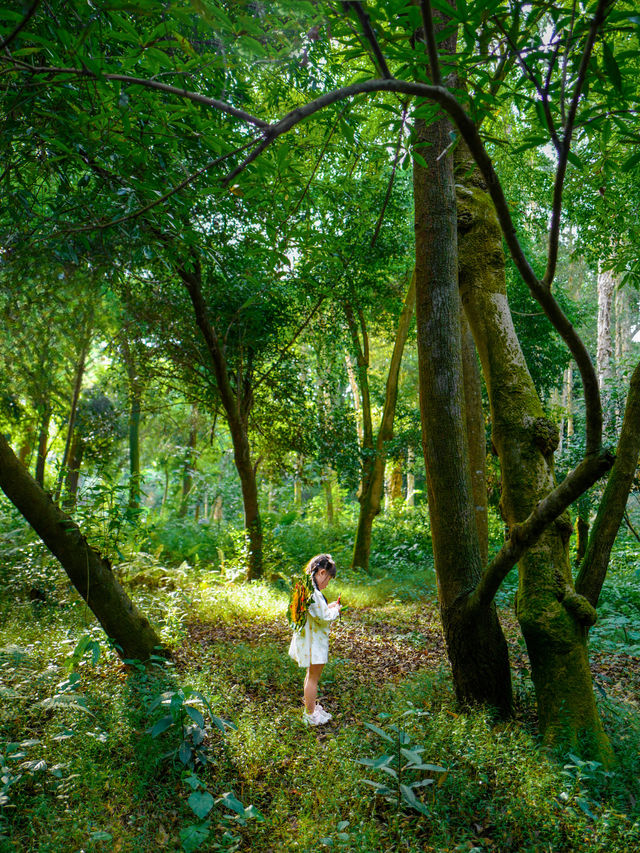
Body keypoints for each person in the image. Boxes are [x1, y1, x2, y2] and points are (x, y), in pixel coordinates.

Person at [288, 553, 342, 725]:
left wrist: (329, 607)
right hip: (314, 643)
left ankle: (310, 708)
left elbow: (317, 611)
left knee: (310, 675)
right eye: (328, 579)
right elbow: (324, 617)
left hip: (309, 639)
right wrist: (337, 610)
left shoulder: (307, 587)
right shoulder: (314, 593)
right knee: (313, 677)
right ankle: (310, 715)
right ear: (321, 572)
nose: (327, 584)